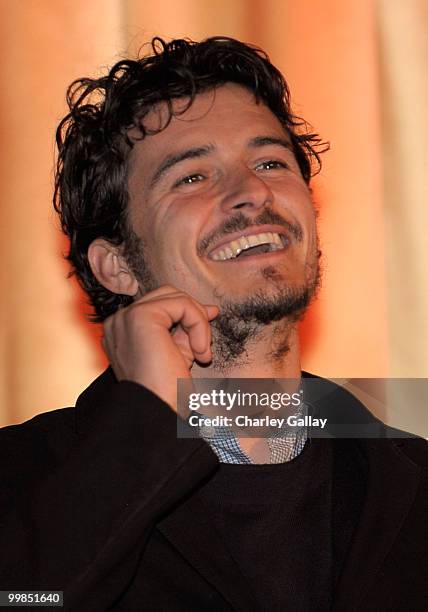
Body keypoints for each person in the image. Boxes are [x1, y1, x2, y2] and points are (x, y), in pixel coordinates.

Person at [0, 37, 426, 611]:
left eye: (271, 162)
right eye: (193, 177)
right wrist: (143, 424)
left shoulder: (410, 479)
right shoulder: (22, 478)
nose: (252, 192)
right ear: (118, 264)